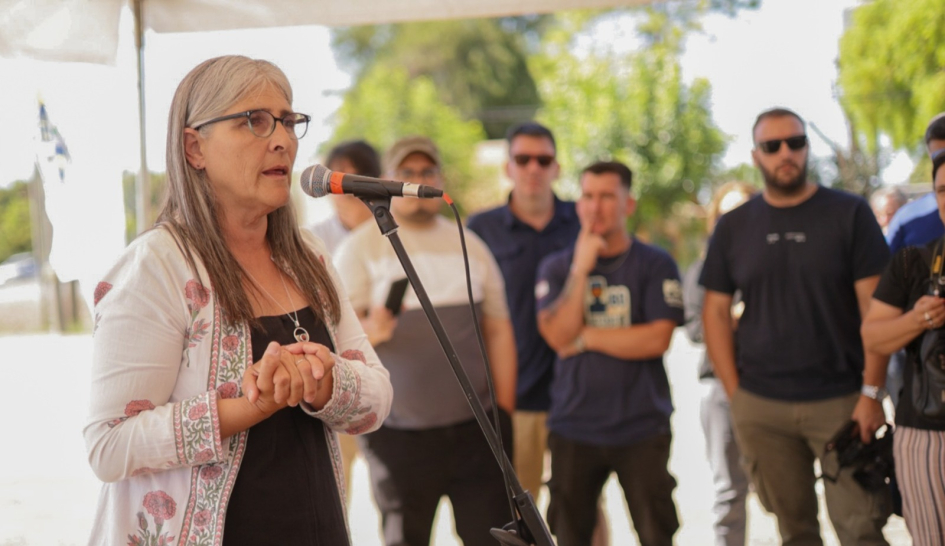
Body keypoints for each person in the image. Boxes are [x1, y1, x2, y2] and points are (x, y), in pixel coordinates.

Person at [82, 56, 392, 545]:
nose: (282, 139)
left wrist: (325, 381)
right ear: (194, 147)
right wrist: (250, 404)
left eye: (289, 121)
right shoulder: (157, 266)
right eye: (255, 120)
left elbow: (376, 400)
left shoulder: (307, 255)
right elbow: (109, 445)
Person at [700, 107, 891, 545]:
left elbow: (876, 311)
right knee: (795, 533)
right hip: (763, 407)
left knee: (862, 529)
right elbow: (713, 312)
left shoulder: (850, 213)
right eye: (772, 146)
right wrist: (736, 395)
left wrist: (872, 392)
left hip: (842, 401)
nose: (786, 153)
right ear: (756, 155)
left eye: (796, 142)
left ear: (807, 147)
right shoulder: (734, 227)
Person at [334, 135, 517, 546]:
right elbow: (336, 340)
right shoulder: (359, 248)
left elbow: (499, 329)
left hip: (477, 432)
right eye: (407, 173)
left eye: (427, 172)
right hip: (398, 437)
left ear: (439, 178)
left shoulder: (471, 245)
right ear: (387, 180)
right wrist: (371, 331)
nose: (418, 180)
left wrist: (503, 410)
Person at [536, 160, 683, 546]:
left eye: (607, 197)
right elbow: (556, 335)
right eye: (587, 196)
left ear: (628, 204)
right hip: (573, 427)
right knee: (570, 536)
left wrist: (585, 338)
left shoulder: (655, 263)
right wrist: (581, 269)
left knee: (656, 534)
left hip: (641, 426)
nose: (595, 206)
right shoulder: (557, 267)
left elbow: (657, 339)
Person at [467, 122, 580, 499]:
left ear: (557, 167)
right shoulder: (479, 229)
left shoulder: (583, 221)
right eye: (523, 158)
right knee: (520, 515)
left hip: (579, 395)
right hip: (514, 399)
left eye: (543, 159)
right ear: (508, 167)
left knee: (582, 515)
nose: (534, 167)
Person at [861, 151, 945, 546]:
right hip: (925, 433)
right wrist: (920, 318)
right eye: (943, 190)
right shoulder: (913, 262)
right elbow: (873, 337)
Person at [683, 181, 757, 546]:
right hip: (720, 391)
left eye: (744, 210)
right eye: (727, 213)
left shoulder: (774, 263)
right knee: (729, 495)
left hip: (775, 388)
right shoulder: (702, 271)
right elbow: (697, 330)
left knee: (786, 495)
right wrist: (732, 316)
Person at [306, 138, 380, 497]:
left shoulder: (391, 235)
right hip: (334, 381)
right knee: (338, 490)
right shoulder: (312, 242)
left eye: (352, 181)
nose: (342, 191)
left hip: (387, 379)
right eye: (336, 182)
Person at [882, 113, 945, 408]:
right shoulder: (908, 220)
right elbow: (880, 309)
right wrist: (916, 318)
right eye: (938, 156)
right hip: (921, 364)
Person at [307, 139, 378, 253]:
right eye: (340, 180)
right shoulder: (314, 238)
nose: (349, 190)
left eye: (359, 177)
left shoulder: (396, 231)